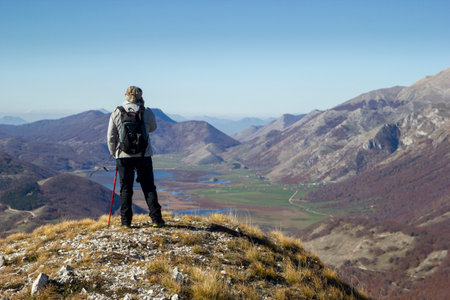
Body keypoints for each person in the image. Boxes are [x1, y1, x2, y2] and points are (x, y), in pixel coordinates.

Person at [107, 86, 164, 228]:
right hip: (144, 155)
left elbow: (111, 136)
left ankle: (126, 222)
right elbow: (152, 128)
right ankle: (156, 220)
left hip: (123, 156)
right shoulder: (147, 112)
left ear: (125, 95)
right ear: (141, 97)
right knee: (149, 187)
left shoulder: (116, 112)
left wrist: (115, 153)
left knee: (126, 189)